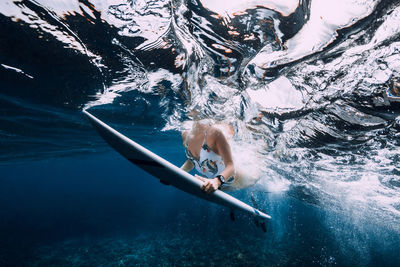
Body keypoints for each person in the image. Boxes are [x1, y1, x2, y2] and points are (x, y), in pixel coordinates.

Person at [180, 119, 260, 193]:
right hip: (217, 183)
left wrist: (217, 181)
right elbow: (192, 160)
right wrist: (180, 172)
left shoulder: (214, 133)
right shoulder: (186, 134)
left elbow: (231, 166)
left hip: (242, 179)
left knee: (258, 157)